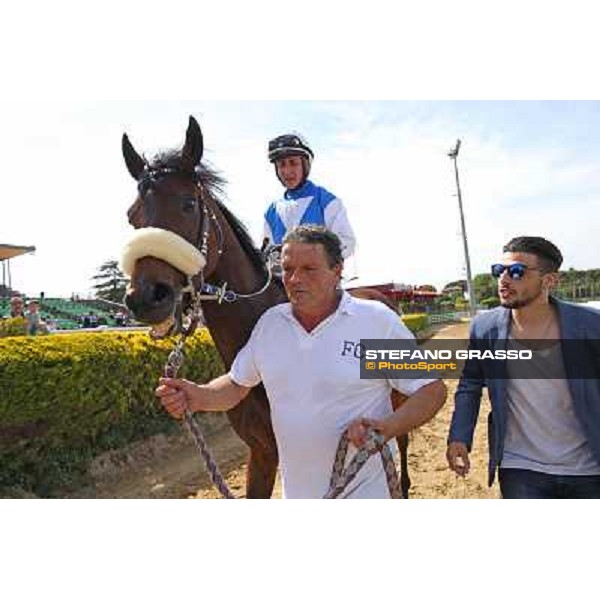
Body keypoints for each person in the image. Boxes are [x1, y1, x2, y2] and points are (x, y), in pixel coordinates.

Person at [156, 225, 446, 499]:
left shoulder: (374, 323)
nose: (295, 279)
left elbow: (431, 390)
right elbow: (236, 384)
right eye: (288, 269)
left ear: (337, 271)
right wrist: (199, 395)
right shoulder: (271, 325)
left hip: (368, 493)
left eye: (309, 269)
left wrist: (387, 429)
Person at [447, 236, 600, 498]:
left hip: (589, 467)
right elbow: (470, 383)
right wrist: (459, 436)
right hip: (521, 467)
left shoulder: (590, 326)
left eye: (516, 272)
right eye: (499, 270)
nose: (504, 280)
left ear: (549, 280)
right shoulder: (486, 329)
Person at [262, 133, 356, 262]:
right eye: (281, 165)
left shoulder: (327, 202)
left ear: (305, 165)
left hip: (320, 279)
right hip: (284, 281)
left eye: (293, 163)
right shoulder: (271, 212)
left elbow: (347, 243)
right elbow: (268, 256)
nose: (287, 171)